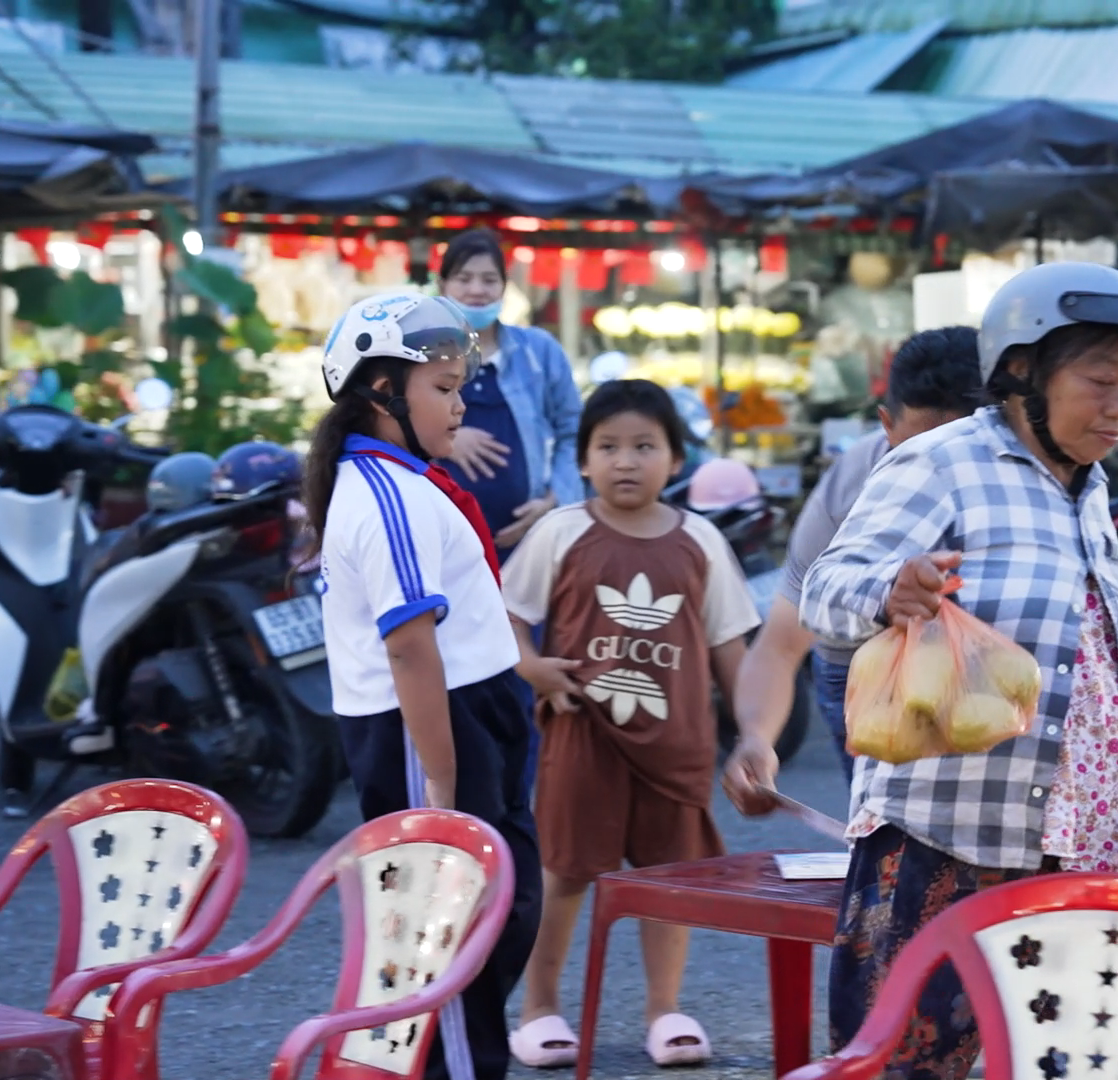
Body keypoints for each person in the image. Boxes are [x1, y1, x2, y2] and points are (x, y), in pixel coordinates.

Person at [795, 262, 1118, 1080]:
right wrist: (889, 591)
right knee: (903, 1066)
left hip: (1083, 842)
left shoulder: (1090, 490)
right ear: (1022, 373)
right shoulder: (943, 462)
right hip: (949, 837)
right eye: (1100, 380)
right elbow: (824, 590)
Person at [304, 290, 550, 1080]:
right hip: (432, 728)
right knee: (451, 929)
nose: (460, 404)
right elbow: (410, 649)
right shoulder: (386, 496)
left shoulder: (408, 482)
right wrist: (439, 781)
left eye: (460, 386)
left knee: (504, 906)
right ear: (382, 393)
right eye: (443, 388)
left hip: (474, 708)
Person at [501, 379, 760, 1071]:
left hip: (678, 749)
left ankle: (663, 1010)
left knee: (669, 880)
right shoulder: (561, 532)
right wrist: (532, 668)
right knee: (564, 873)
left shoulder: (701, 540)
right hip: (581, 738)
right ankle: (539, 1009)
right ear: (583, 460)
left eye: (645, 446)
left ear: (675, 459)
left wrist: (752, 736)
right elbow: (506, 613)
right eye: (608, 446)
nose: (625, 461)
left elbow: (730, 647)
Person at [721, 326, 983, 800]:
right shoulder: (846, 494)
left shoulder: (1033, 480)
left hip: (992, 673)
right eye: (918, 451)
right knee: (887, 829)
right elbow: (781, 645)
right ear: (886, 424)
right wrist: (757, 740)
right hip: (863, 678)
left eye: (959, 451)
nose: (936, 471)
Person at [436, 227, 584, 558]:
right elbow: (390, 427)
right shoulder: (421, 353)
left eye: (489, 280)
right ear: (442, 285)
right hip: (440, 541)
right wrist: (445, 441)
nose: (477, 290)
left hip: (527, 542)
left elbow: (574, 431)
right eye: (464, 278)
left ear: (504, 287)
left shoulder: (539, 352)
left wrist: (554, 501)